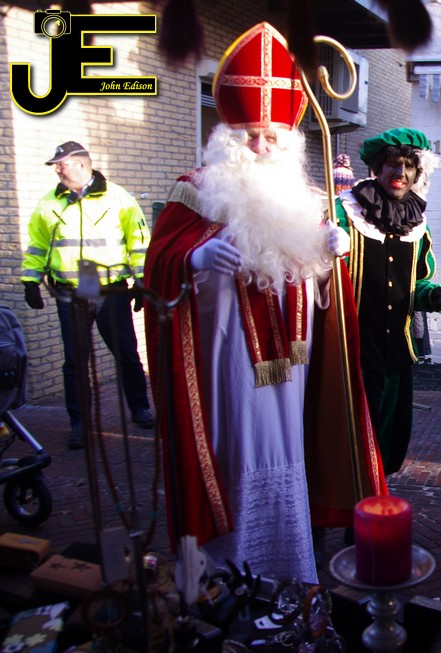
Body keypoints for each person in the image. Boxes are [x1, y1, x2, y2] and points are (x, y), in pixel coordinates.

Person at [143, 22, 351, 583]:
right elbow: (157, 263)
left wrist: (332, 250)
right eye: (252, 135)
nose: (262, 146)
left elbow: (319, 286)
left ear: (290, 139)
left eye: (273, 136)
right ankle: (226, 569)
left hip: (294, 362)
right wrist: (192, 259)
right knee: (233, 444)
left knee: (290, 446)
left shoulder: (306, 197)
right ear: (228, 135)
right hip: (227, 355)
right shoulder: (196, 190)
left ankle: (286, 564)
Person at [334, 128, 441, 475]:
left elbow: (416, 283)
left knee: (388, 440)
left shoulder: (417, 224)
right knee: (351, 441)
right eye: (392, 164)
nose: (400, 173)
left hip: (397, 353)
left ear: (418, 173)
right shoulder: (344, 212)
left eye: (408, 166)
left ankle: (378, 497)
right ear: (376, 167)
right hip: (352, 351)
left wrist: (433, 296)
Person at [21, 141, 155, 450]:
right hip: (71, 292)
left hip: (110, 290)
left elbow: (139, 243)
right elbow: (37, 245)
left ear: (82, 164)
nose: (57, 169)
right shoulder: (48, 203)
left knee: (125, 352)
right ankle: (80, 423)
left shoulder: (118, 198)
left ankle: (140, 408)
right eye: (56, 165)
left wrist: (142, 282)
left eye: (62, 163)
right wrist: (30, 280)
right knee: (75, 361)